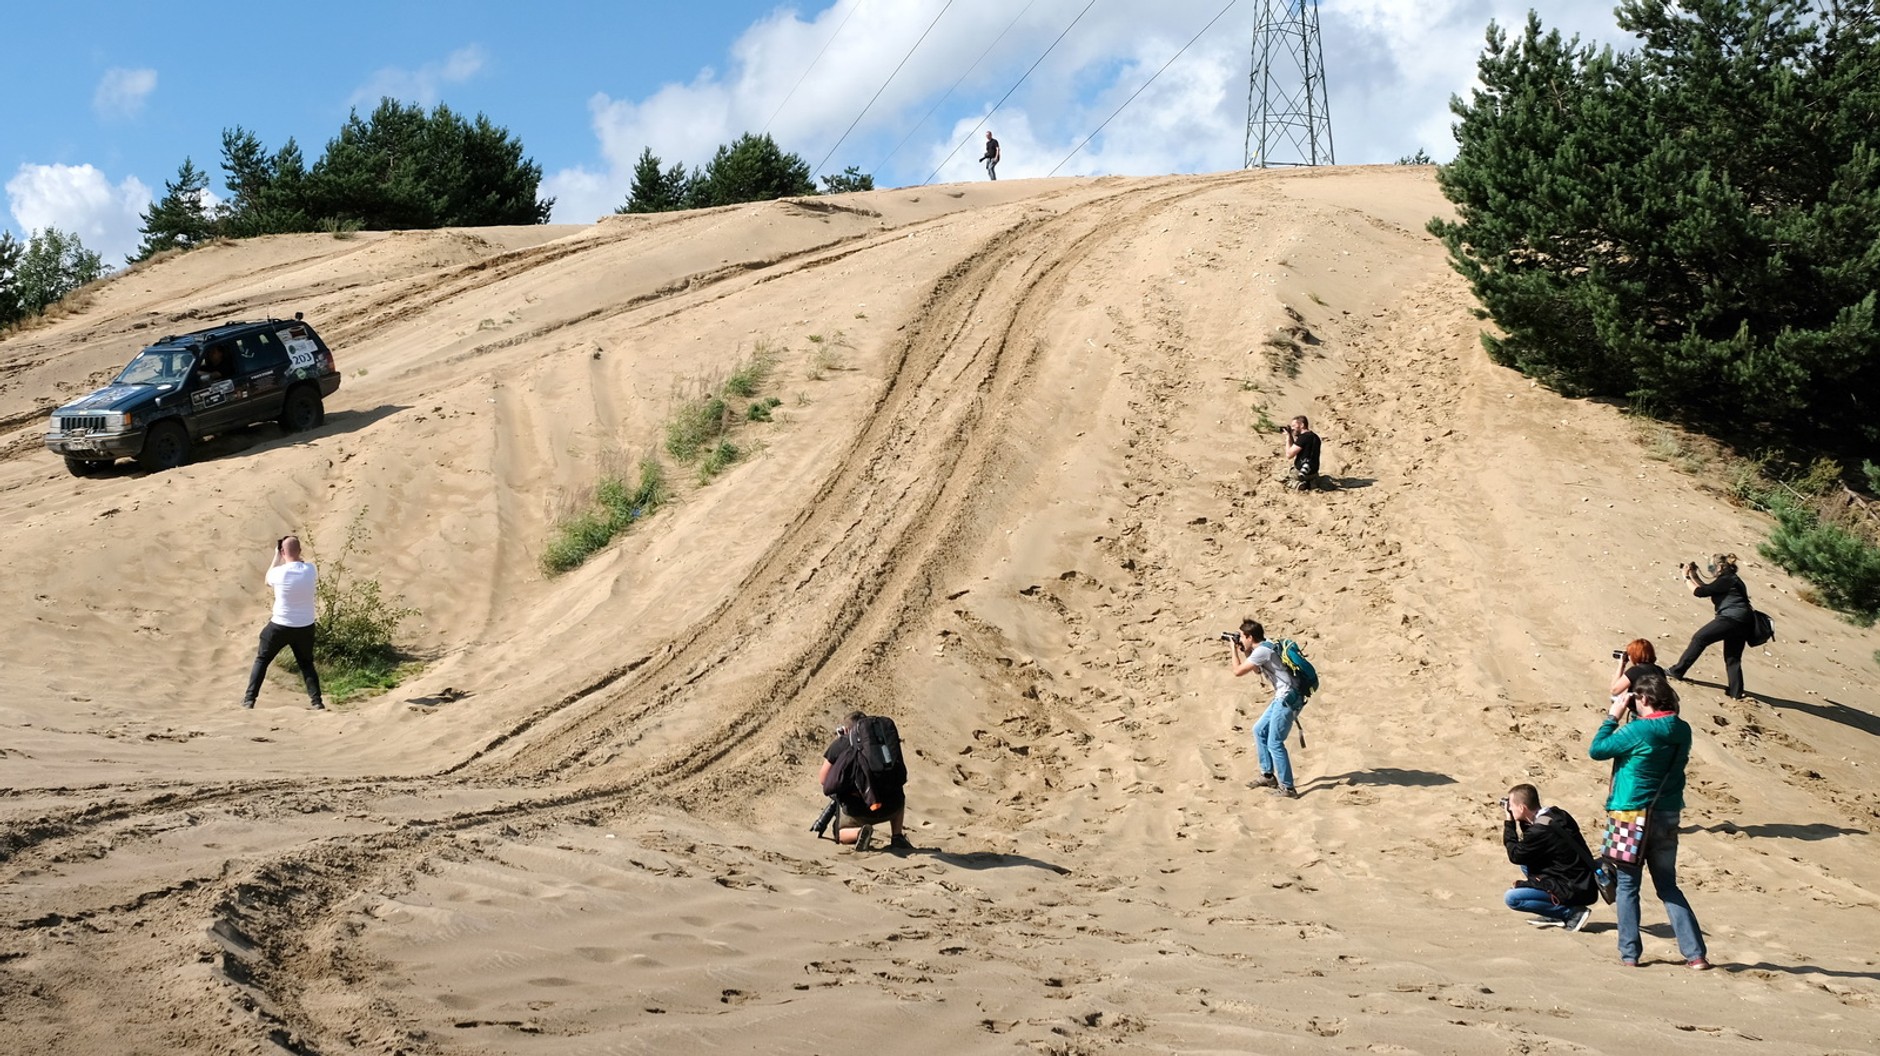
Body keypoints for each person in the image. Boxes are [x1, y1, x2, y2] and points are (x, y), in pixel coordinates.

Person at [1588, 671, 1710, 969]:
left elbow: (1597, 750)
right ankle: (1695, 955)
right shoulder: (1682, 729)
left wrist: (1612, 715)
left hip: (1629, 815)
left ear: (1644, 698)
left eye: (1636, 700)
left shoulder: (1638, 731)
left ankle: (1630, 955)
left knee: (1628, 885)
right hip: (1667, 813)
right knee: (1668, 885)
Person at [1500, 783, 1598, 931]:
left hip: (1572, 888)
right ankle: (1555, 910)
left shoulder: (1540, 831)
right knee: (1526, 863)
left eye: (1511, 806)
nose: (1510, 810)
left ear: (1522, 808)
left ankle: (1570, 913)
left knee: (1512, 898)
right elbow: (1530, 845)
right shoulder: (1557, 815)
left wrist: (1509, 822)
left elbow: (1515, 855)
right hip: (1583, 880)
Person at [241, 535, 324, 710]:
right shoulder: (311, 570)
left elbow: (267, 579)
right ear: (300, 551)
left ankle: (249, 700)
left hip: (280, 625)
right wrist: (292, 553)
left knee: (262, 659)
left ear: (282, 552)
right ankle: (317, 702)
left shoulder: (278, 572)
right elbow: (299, 561)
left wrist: (276, 557)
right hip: (305, 627)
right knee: (306, 664)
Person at [818, 711, 913, 851]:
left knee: (839, 832)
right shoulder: (884, 741)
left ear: (847, 729)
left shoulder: (842, 743)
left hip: (859, 811)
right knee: (895, 785)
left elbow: (823, 779)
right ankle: (897, 835)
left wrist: (840, 744)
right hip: (891, 807)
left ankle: (859, 832)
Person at [1231, 618, 1301, 798]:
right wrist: (1245, 651)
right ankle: (1268, 775)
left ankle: (1288, 788)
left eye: (1241, 637)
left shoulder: (1262, 651)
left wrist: (1232, 649)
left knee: (1275, 742)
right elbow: (1256, 670)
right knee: (1259, 730)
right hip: (1283, 696)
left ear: (1249, 637)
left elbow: (1237, 671)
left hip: (1287, 698)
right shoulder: (1265, 645)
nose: (1239, 639)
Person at [1667, 553, 1752, 699]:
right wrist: (1693, 575)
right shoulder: (1732, 579)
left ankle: (1677, 671)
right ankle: (1736, 692)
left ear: (1719, 567)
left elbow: (1700, 592)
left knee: (1700, 638)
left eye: (1711, 567)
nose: (1710, 570)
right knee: (1733, 658)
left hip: (1731, 619)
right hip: (1744, 622)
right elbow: (1709, 588)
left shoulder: (1726, 579)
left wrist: (1686, 577)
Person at [1283, 416, 1321, 491]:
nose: (1292, 428)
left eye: (1294, 426)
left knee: (1281, 476)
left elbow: (1289, 455)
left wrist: (1287, 437)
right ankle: (1311, 483)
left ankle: (1298, 485)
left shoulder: (1303, 438)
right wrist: (1291, 435)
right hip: (1313, 473)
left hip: (1300, 472)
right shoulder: (1316, 437)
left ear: (1302, 425)